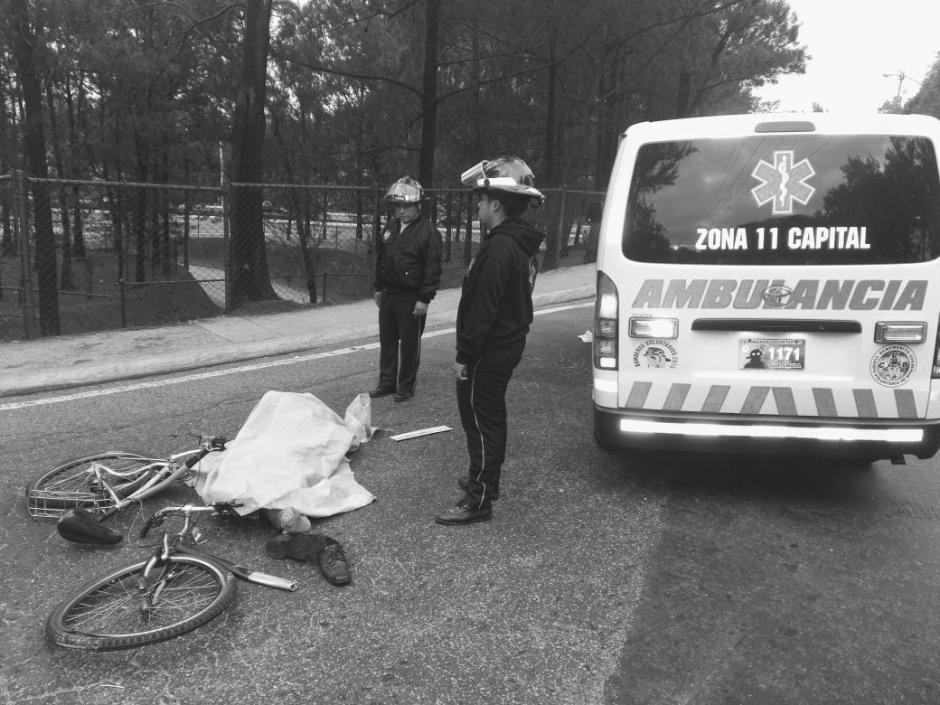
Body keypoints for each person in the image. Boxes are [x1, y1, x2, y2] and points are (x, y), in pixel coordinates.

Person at [434, 156, 546, 525]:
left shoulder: (499, 248)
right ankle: (486, 481)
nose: (478, 206)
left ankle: (478, 499)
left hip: (490, 348)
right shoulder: (516, 243)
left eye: (481, 200)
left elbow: (482, 308)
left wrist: (465, 355)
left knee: (481, 419)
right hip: (506, 342)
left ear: (496, 203)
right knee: (490, 414)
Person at [370, 176, 443, 402]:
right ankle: (387, 382)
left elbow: (432, 269)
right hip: (389, 293)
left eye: (407, 206)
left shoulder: (428, 232)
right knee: (388, 340)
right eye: (398, 206)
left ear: (417, 205)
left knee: (410, 343)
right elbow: (382, 259)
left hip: (411, 297)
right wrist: (379, 287)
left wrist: (424, 299)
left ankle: (405, 385)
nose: (402, 211)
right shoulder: (391, 228)